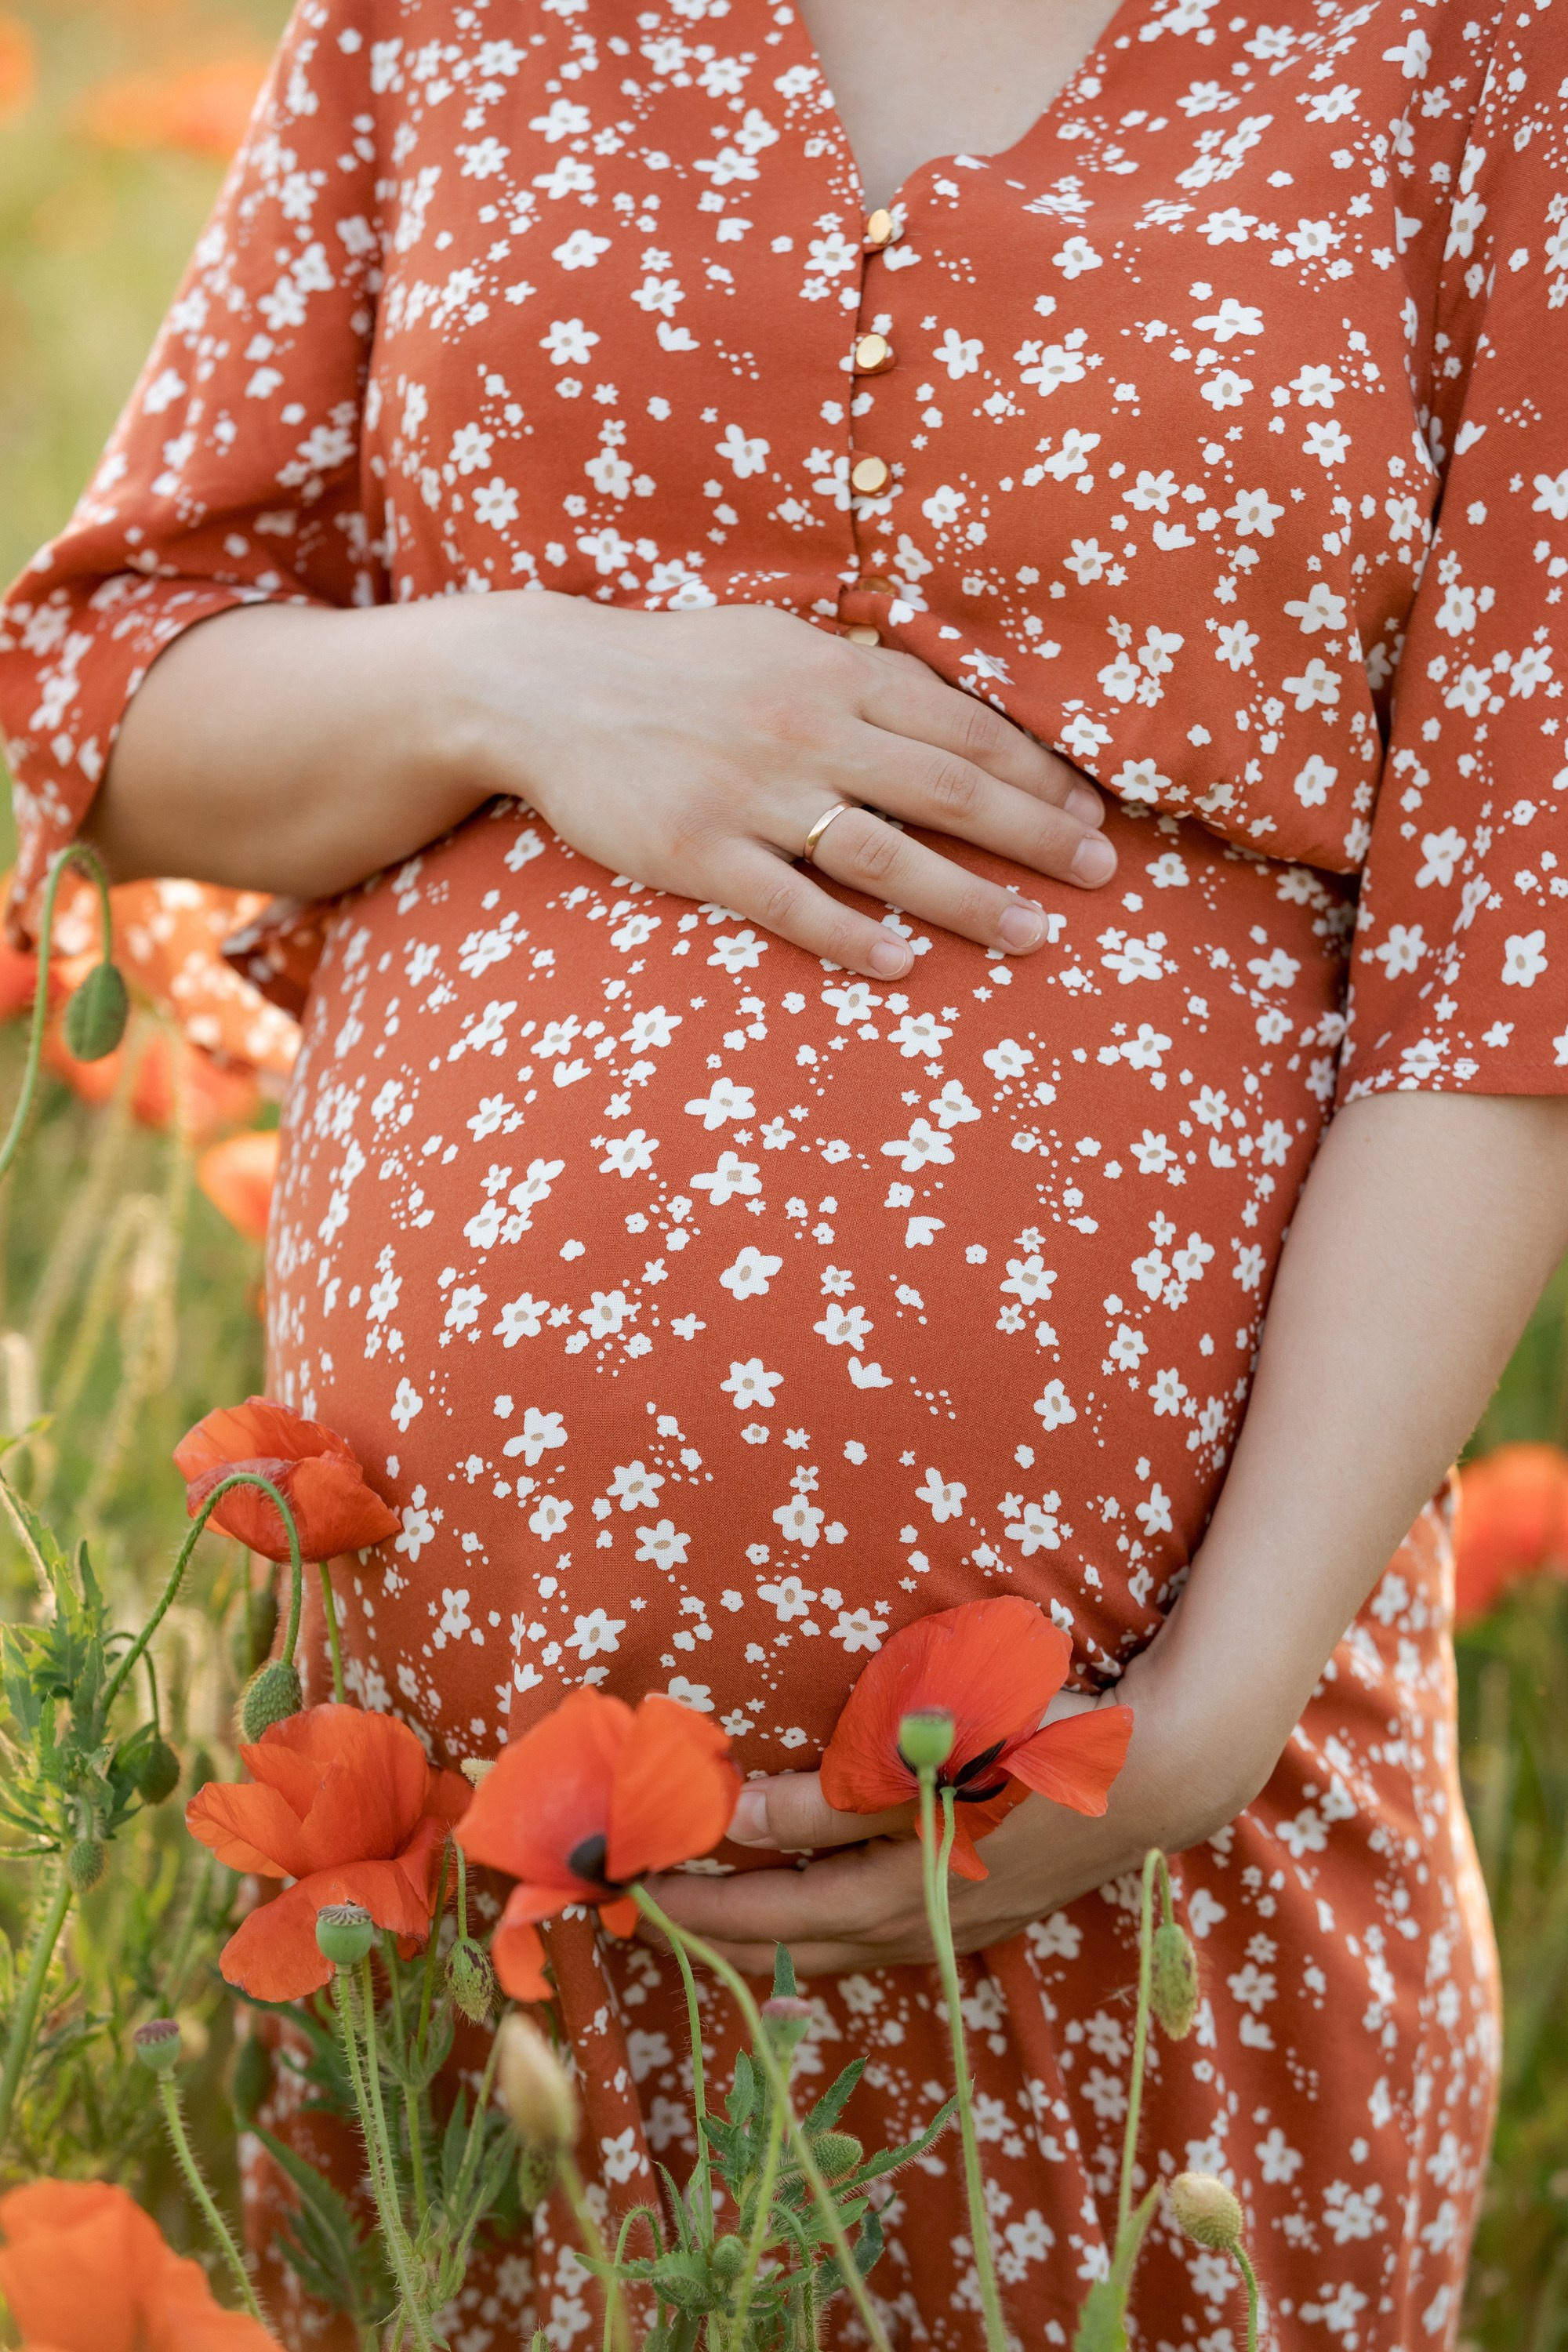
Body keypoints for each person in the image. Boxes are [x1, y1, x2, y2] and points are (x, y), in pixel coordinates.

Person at [3, 0, 1566, 2339]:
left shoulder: (1478, 54)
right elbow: (103, 690)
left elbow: (1513, 947)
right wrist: (514, 678)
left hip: (1142, 1879)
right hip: (456, 1900)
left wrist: (1201, 1720)